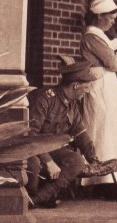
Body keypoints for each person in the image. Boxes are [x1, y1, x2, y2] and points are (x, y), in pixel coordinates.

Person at [78, 0, 117, 201]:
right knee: (103, 133)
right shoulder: (92, 36)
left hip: (107, 87)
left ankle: (114, 181)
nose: (113, 21)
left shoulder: (99, 36)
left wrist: (116, 58)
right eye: (110, 17)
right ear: (99, 16)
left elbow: (111, 61)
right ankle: (104, 183)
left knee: (112, 132)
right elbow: (113, 63)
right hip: (99, 87)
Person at [26, 61, 101, 208]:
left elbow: (80, 132)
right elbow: (31, 133)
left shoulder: (72, 104)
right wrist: (48, 161)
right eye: (86, 87)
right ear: (75, 86)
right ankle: (37, 196)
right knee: (34, 165)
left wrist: (93, 158)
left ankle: (39, 198)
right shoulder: (46, 99)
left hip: (53, 149)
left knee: (76, 160)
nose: (88, 91)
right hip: (34, 150)